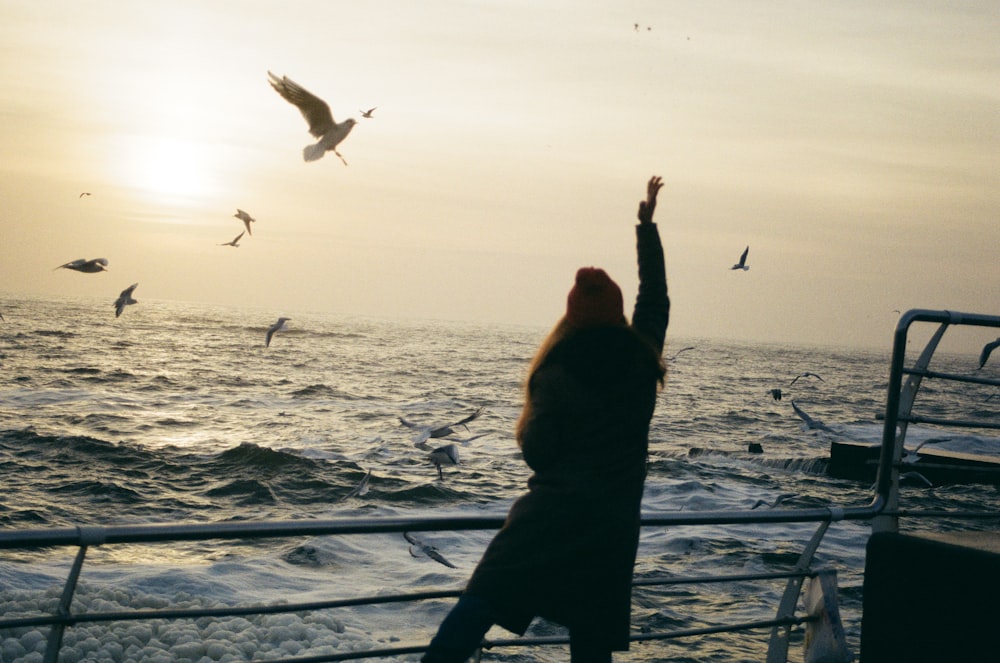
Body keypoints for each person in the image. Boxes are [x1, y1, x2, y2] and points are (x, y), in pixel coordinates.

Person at [422, 175, 670, 663]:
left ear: (571, 315)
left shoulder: (554, 370)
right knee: (592, 639)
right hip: (612, 525)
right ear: (619, 313)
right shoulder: (642, 359)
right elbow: (656, 297)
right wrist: (646, 226)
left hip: (552, 517)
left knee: (481, 598)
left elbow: (539, 451)